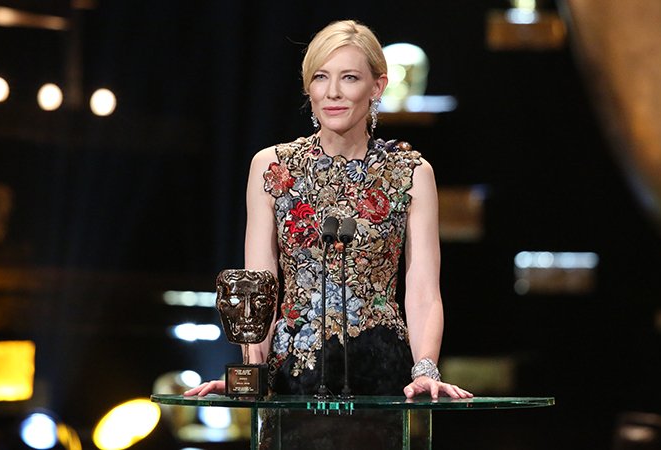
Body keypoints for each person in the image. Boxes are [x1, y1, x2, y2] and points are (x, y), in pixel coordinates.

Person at [186, 19, 471, 400]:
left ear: (377, 87)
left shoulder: (410, 173)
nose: (332, 92)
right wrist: (252, 374)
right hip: (293, 375)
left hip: (381, 374)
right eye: (321, 77)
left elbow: (422, 291)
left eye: (349, 78)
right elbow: (260, 285)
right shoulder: (273, 167)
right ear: (309, 87)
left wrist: (425, 369)